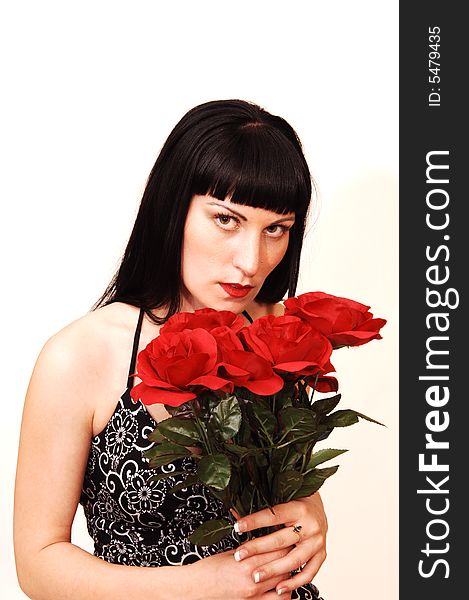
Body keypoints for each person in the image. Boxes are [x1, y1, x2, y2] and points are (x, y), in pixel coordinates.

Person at [14, 99, 328, 599]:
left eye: (276, 229)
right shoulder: (81, 356)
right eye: (226, 220)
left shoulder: (274, 332)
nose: (251, 262)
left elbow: (285, 491)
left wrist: (309, 515)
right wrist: (202, 587)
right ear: (172, 207)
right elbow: (38, 564)